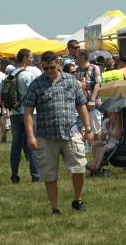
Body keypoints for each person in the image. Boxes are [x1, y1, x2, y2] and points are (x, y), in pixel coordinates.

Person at [23, 51, 93, 214]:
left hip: (70, 132)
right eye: (45, 68)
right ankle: (55, 208)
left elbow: (81, 105)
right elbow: (28, 111)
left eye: (52, 67)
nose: (49, 71)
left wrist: (88, 128)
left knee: (79, 167)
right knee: (49, 174)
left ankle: (77, 200)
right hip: (46, 136)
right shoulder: (36, 84)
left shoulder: (71, 81)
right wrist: (30, 136)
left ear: (59, 64)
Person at [9, 49, 40, 184]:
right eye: (31, 57)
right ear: (25, 58)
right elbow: (33, 94)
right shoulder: (27, 75)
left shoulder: (11, 73)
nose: (32, 59)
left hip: (14, 113)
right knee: (32, 143)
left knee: (16, 145)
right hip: (28, 113)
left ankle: (14, 175)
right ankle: (36, 175)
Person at [75, 50, 103, 141]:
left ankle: (97, 147)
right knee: (84, 131)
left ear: (82, 57)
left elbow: (98, 84)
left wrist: (92, 100)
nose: (75, 59)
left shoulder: (94, 68)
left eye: (77, 57)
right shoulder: (77, 70)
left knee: (96, 131)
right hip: (82, 105)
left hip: (93, 105)